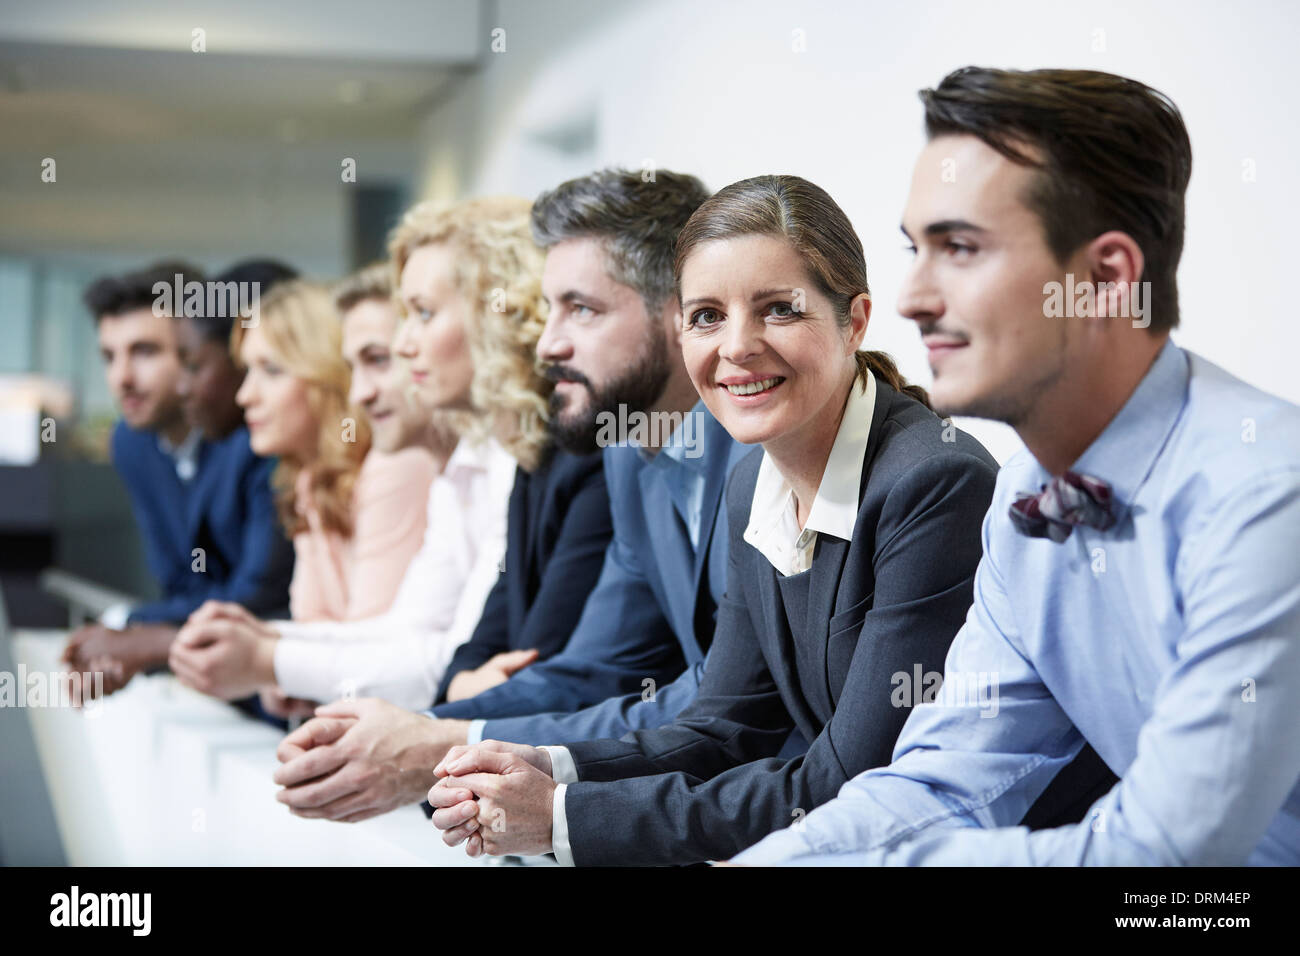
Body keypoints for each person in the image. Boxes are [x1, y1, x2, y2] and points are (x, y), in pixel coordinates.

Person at [731, 67, 1300, 867]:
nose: (911, 298)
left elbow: (1164, 861)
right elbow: (943, 781)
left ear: (1105, 279)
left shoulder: (1268, 495)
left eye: (959, 248)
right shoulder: (1025, 498)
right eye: (914, 249)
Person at [425, 173, 1001, 866]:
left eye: (778, 309)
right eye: (707, 316)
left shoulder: (932, 483)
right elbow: (723, 727)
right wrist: (545, 766)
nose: (737, 346)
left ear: (854, 321)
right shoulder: (752, 482)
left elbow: (851, 780)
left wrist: (561, 818)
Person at [268, 169, 738, 822]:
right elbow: (593, 670)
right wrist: (413, 728)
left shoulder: (753, 450)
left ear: (682, 313)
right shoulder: (630, 455)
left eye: (582, 309)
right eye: (549, 309)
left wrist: (438, 742)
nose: (548, 343)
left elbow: (721, 702)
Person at [175, 198, 614, 732]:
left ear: (500, 313)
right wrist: (272, 648)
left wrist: (270, 656)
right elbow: (441, 648)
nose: (407, 346)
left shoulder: (559, 456)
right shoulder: (490, 458)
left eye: (422, 315)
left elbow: (501, 667)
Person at [61, 260, 295, 700]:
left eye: (145, 352)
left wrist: (133, 628)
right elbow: (179, 580)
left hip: (278, 678)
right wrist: (129, 633)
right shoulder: (132, 444)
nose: (122, 378)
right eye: (109, 357)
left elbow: (254, 593)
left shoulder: (256, 436)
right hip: (219, 678)